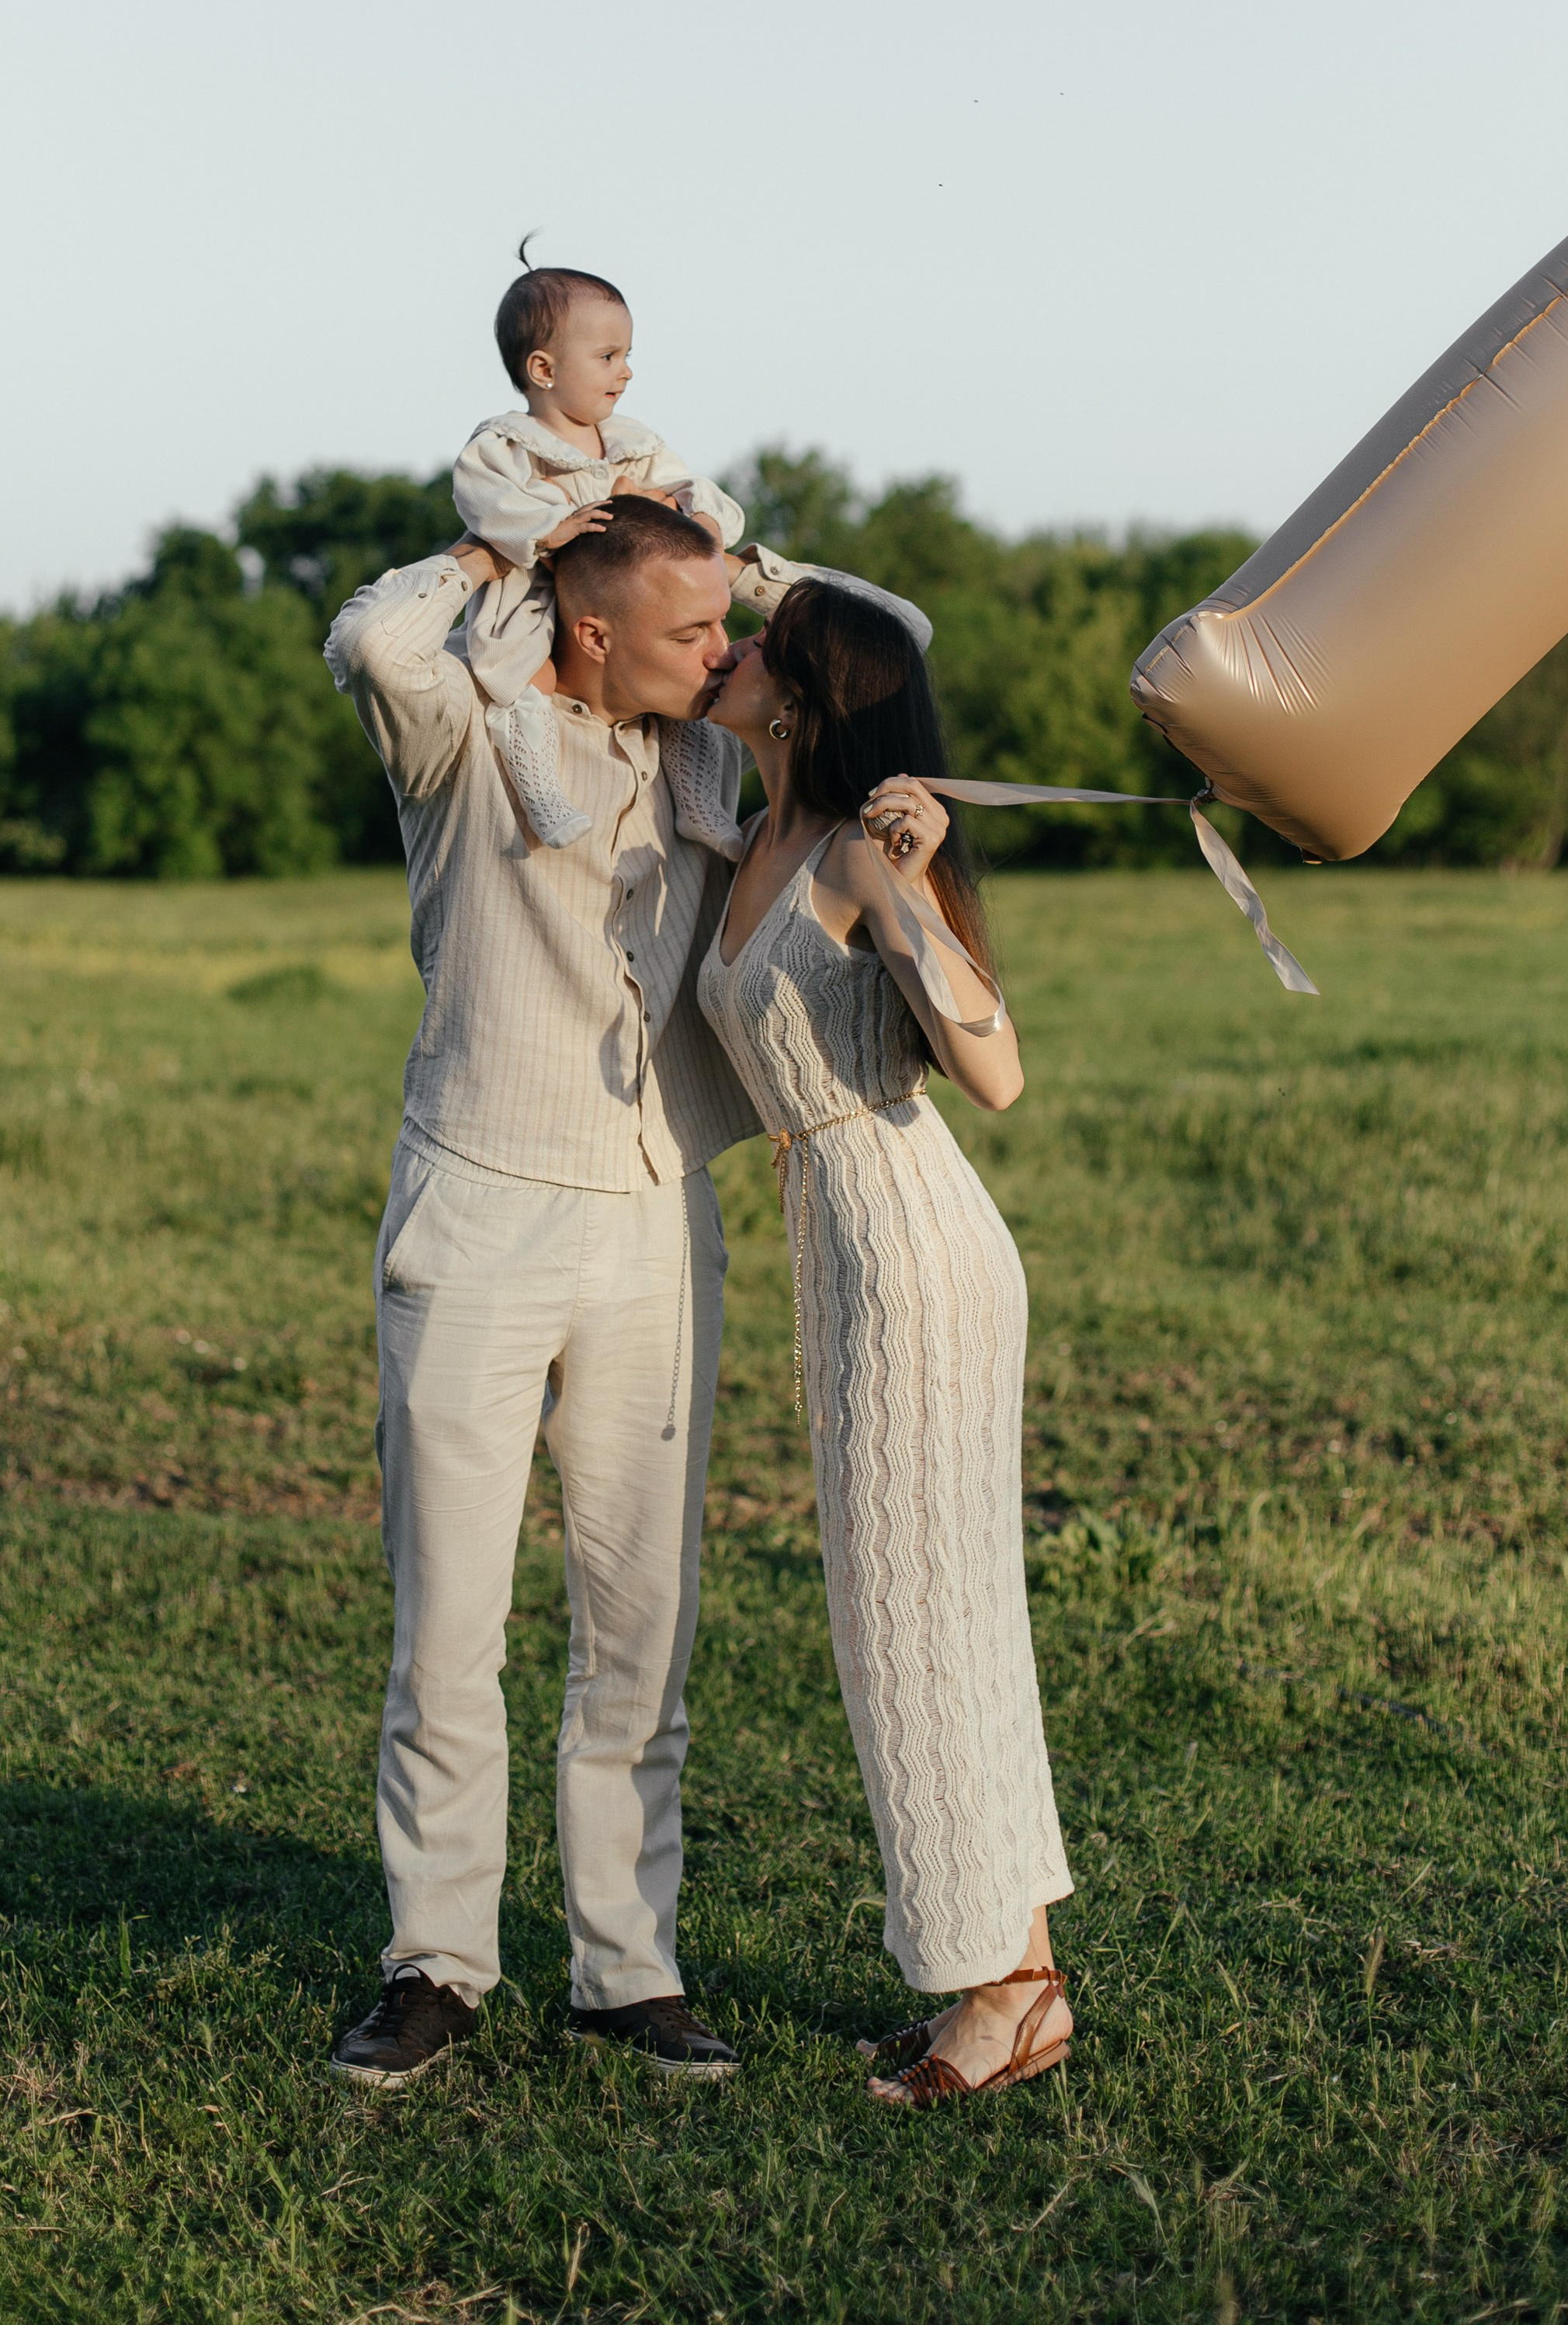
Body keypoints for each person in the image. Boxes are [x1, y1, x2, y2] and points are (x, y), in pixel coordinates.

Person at [321, 486, 928, 2089]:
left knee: (639, 1623)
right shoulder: (464, 729)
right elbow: (368, 635)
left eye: (728, 626)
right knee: (448, 1617)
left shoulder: (705, 756)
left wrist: (724, 548)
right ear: (589, 631)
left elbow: (890, 639)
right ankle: (436, 1962)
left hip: (655, 1219)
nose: (725, 651)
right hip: (474, 1208)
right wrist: (513, 534)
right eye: (691, 630)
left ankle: (624, 1969)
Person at [698, 578, 1074, 2107]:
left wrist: (914, 895)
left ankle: (998, 1993)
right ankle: (1018, 1977)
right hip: (841, 1243)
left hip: (911, 1243)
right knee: (920, 1612)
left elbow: (995, 1076)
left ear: (797, 692)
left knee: (919, 1620)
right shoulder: (751, 834)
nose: (715, 649)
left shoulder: (856, 852)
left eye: (745, 641)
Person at [450, 251, 745, 849]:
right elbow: (482, 501)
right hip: (533, 588)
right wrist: (548, 527)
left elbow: (687, 485)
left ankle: (697, 799)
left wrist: (702, 517)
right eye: (609, 357)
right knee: (528, 674)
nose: (626, 372)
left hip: (624, 592)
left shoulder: (633, 443)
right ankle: (540, 787)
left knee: (675, 685)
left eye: (628, 356)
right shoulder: (507, 445)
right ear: (543, 368)